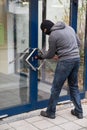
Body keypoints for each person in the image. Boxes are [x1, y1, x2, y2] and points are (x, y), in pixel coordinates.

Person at [36, 20, 83, 119]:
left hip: (65, 62)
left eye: (44, 31)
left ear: (45, 29)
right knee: (74, 86)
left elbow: (50, 54)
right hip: (76, 59)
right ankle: (79, 112)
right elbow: (79, 44)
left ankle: (50, 112)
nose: (46, 34)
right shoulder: (69, 28)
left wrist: (41, 56)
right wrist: (68, 51)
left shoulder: (53, 34)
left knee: (56, 88)